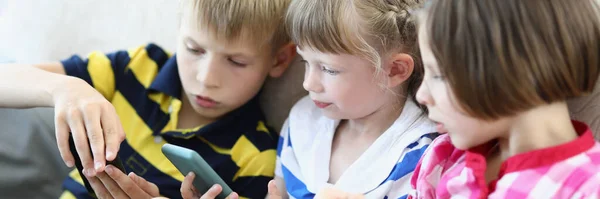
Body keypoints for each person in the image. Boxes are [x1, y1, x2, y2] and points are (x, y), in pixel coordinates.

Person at [0, 0, 296, 198]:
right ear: (180, 32)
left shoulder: (257, 156)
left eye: (236, 62)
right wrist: (63, 88)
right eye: (194, 49)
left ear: (280, 60)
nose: (207, 79)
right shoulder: (138, 68)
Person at [409, 0, 600, 198]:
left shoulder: (589, 188)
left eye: (439, 75)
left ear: (520, 71)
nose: (421, 95)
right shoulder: (443, 158)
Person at [252, 0, 435, 198]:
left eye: (329, 69)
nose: (309, 84)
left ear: (394, 70)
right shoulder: (302, 122)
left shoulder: (424, 157)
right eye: (305, 61)